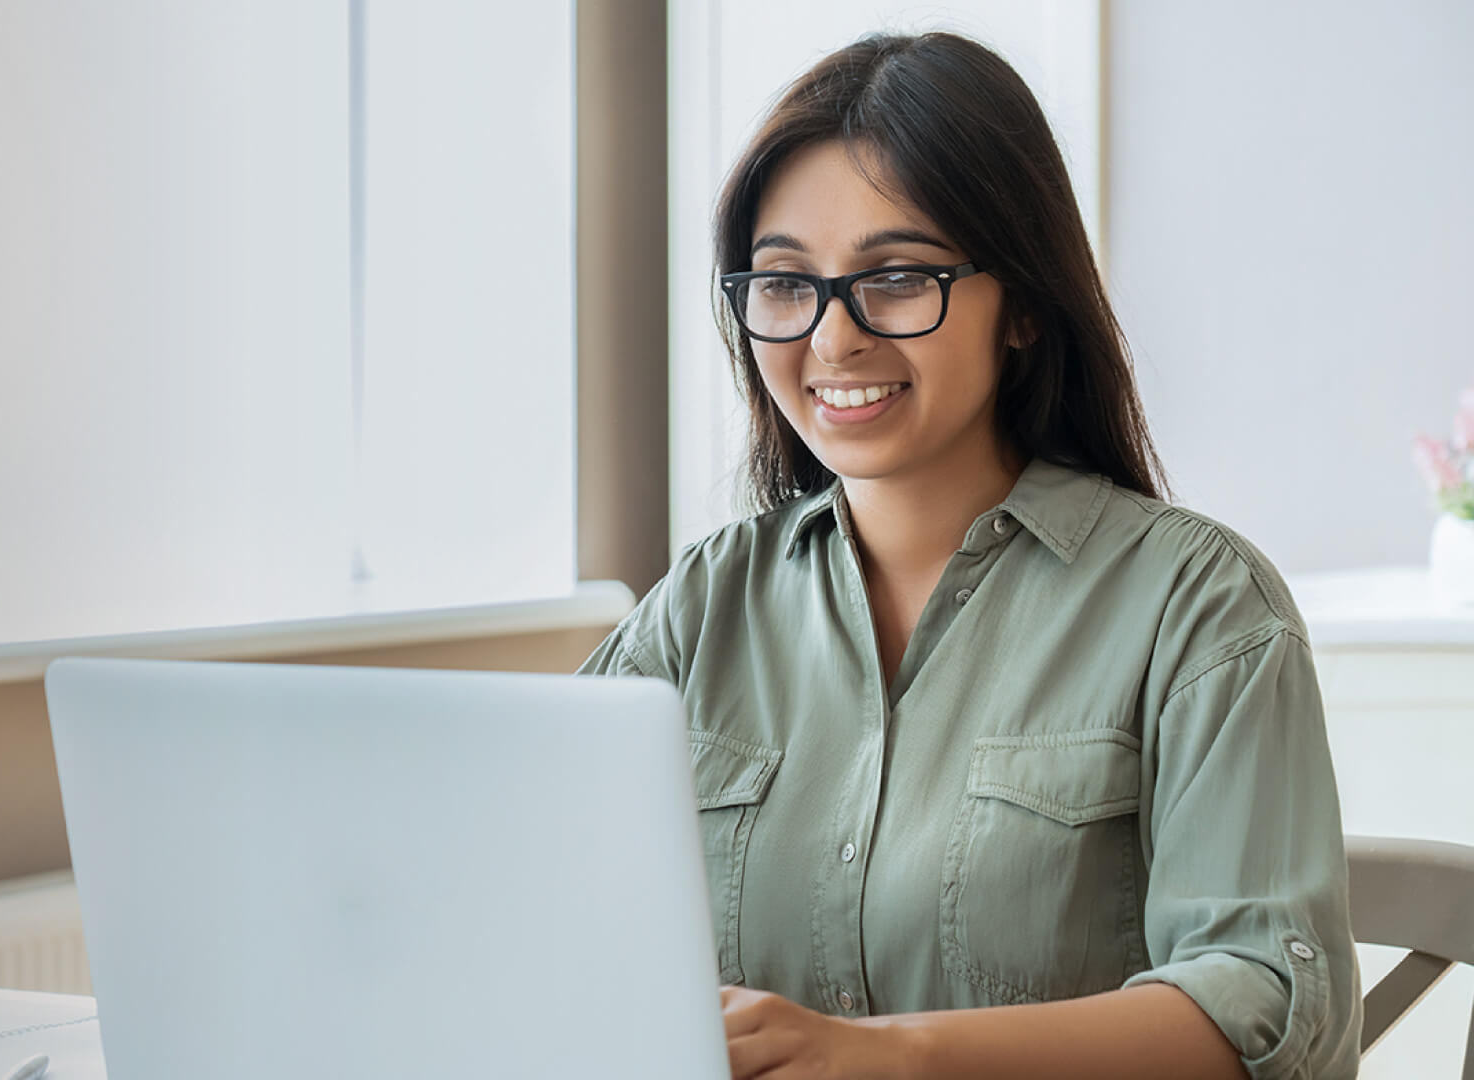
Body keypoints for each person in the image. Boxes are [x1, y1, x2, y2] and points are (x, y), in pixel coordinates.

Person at [577, 31, 1362, 1080]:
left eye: (897, 277)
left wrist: (896, 1057)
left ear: (1026, 306)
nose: (832, 339)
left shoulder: (1202, 609)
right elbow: (531, 892)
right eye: (783, 284)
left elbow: (1267, 998)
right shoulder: (703, 607)